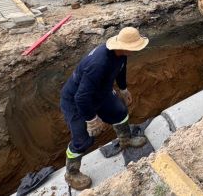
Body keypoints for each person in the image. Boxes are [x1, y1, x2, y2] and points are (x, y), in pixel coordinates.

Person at [60, 27, 149, 190]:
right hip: (76, 101)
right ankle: (71, 173)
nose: (136, 50)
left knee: (120, 112)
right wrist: (91, 119)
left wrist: (123, 89)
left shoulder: (121, 54)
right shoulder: (99, 64)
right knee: (83, 139)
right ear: (124, 46)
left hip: (100, 92)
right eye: (135, 47)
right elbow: (81, 97)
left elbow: (121, 70)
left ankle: (125, 139)